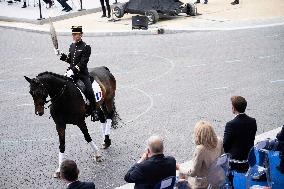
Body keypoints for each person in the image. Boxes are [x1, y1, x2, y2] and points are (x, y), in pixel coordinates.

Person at [54, 26, 98, 121]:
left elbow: (83, 63)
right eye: (73, 34)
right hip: (71, 73)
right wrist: (61, 55)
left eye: (76, 34)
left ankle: (94, 111)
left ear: (81, 35)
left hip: (82, 75)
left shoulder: (86, 47)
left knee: (89, 91)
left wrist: (72, 71)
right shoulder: (72, 46)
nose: (74, 36)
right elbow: (70, 60)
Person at [176, 121, 224, 189]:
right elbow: (222, 158)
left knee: (180, 171)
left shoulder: (200, 149)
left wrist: (180, 167)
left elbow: (194, 173)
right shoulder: (219, 140)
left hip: (204, 183)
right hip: (217, 178)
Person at [223, 96, 257, 188]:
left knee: (221, 160)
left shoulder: (230, 124)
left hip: (236, 162)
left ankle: (230, 185)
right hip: (250, 159)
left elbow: (225, 144)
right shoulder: (253, 121)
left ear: (233, 108)